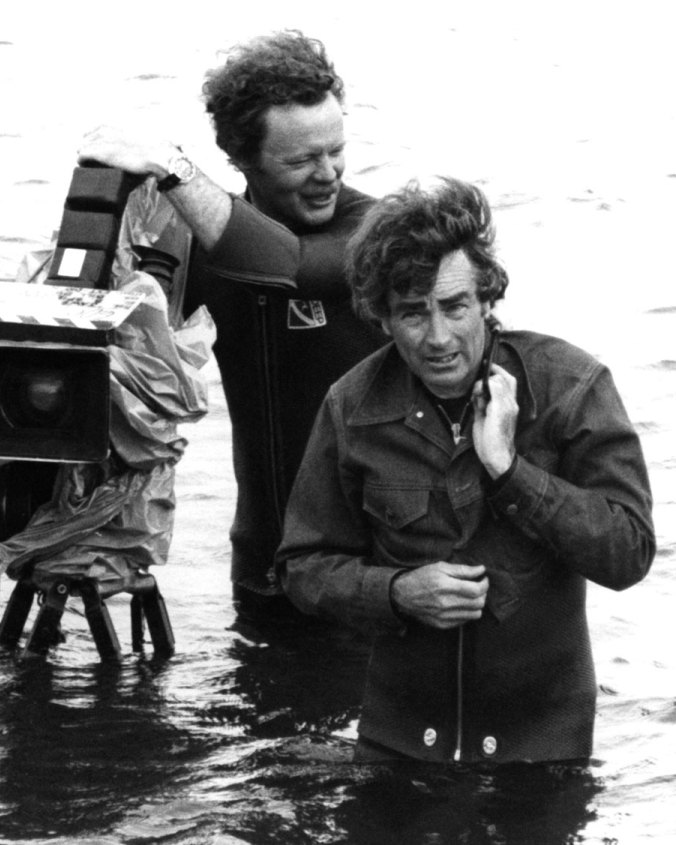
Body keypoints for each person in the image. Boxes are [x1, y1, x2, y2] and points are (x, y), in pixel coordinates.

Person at [277, 177, 654, 763]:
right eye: (412, 313)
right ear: (382, 319)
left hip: (540, 751)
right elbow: (302, 567)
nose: (438, 337)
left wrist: (510, 472)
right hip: (400, 744)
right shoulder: (351, 406)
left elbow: (628, 553)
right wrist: (397, 593)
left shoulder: (571, 387)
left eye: (454, 307)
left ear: (486, 300)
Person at [78, 31, 386, 624]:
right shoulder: (203, 245)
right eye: (301, 160)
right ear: (242, 157)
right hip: (262, 559)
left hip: (369, 566)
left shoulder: (374, 230)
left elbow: (290, 266)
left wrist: (170, 165)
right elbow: (126, 362)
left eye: (336, 151)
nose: (328, 173)